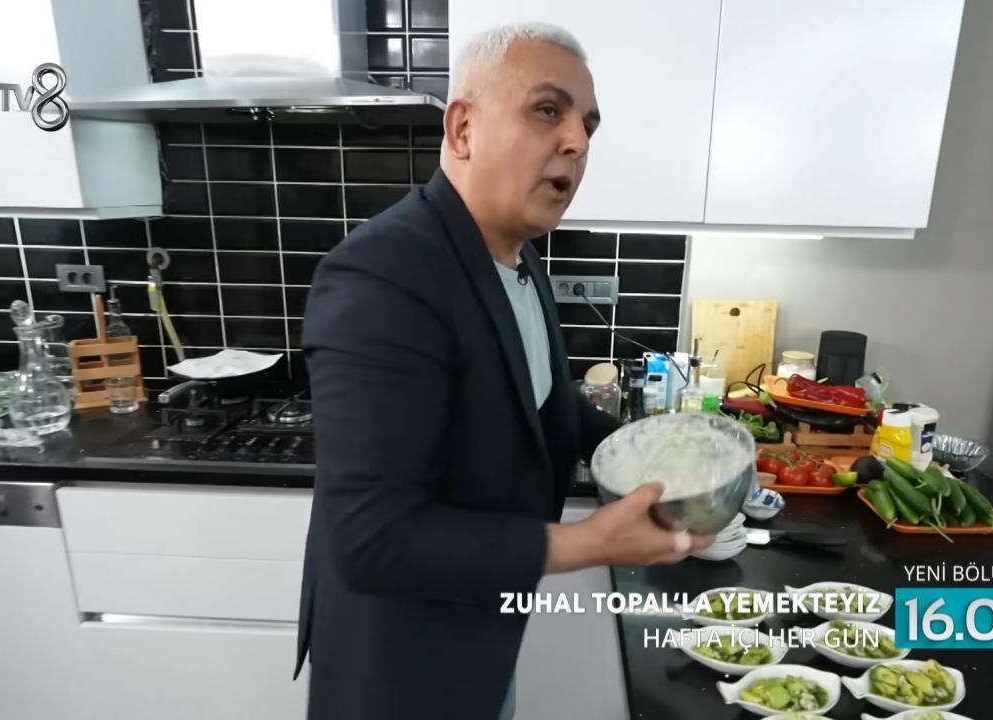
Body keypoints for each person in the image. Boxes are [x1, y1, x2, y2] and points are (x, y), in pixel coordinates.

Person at [295, 22, 712, 719]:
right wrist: (586, 543)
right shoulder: (384, 273)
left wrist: (656, 453)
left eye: (588, 124)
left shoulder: (517, 257)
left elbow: (543, 401)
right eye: (548, 110)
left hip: (478, 637)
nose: (577, 141)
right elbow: (373, 540)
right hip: (399, 666)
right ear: (462, 129)